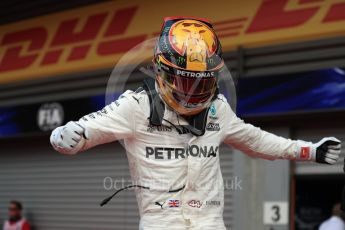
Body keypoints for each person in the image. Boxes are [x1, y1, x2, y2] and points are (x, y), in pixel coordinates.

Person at [50, 16, 342, 229]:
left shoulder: (218, 107)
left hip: (210, 222)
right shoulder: (136, 105)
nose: (191, 92)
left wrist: (308, 151)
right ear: (160, 71)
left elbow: (256, 140)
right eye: (183, 79)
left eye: (201, 82)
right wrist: (65, 135)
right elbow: (84, 130)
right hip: (160, 222)